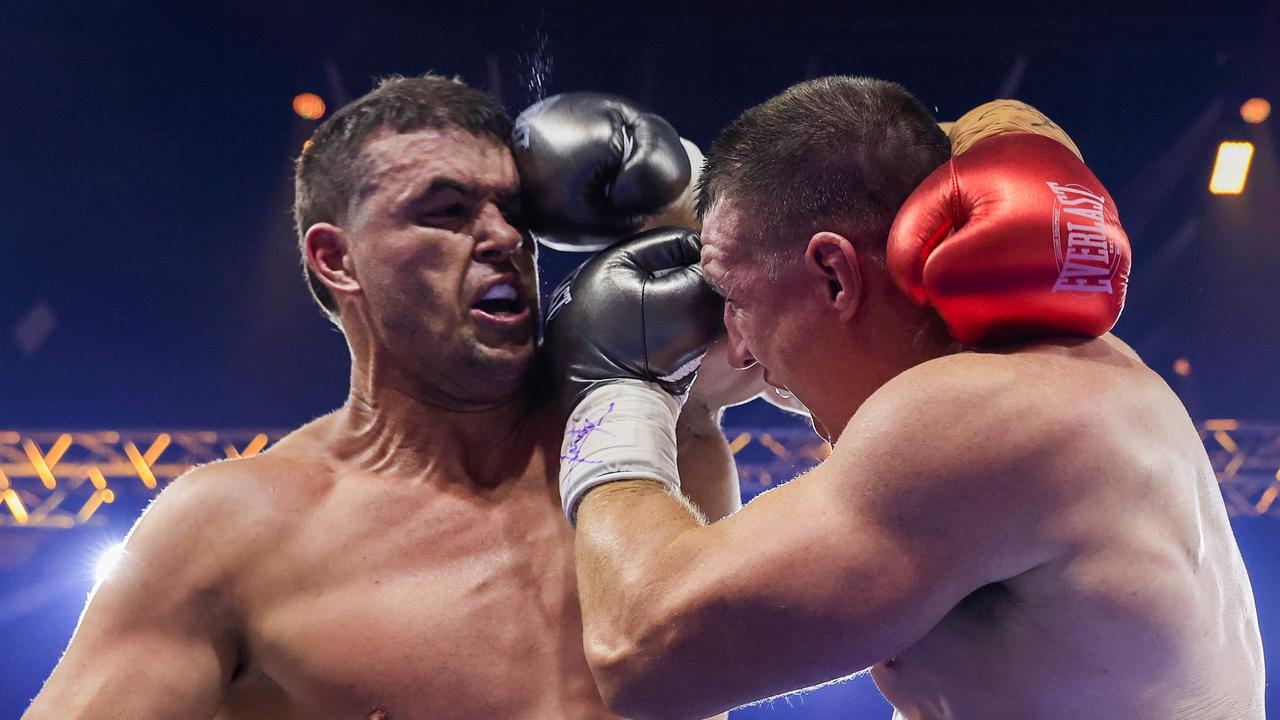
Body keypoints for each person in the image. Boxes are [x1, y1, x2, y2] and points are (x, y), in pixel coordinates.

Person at [23, 74, 754, 720]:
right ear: (336, 259)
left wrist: (675, 182)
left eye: (514, 210)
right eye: (447, 211)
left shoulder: (641, 432)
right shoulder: (232, 531)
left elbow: (808, 291)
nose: (503, 236)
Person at [547, 76, 1265, 719]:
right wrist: (711, 222)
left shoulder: (978, 418)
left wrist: (612, 388)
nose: (737, 348)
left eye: (734, 301)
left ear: (834, 276)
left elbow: (640, 653)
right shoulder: (1063, 370)